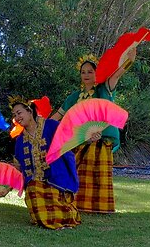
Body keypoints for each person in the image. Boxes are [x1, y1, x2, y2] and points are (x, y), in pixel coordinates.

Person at [50, 49, 137, 213]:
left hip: (102, 138)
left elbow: (117, 75)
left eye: (90, 71)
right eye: (83, 72)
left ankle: (99, 207)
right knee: (75, 169)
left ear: (96, 72)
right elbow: (57, 116)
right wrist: (40, 126)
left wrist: (129, 61)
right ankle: (76, 203)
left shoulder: (104, 89)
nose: (86, 74)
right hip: (79, 140)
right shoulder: (74, 97)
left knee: (97, 173)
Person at [3, 97, 80, 229]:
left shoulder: (51, 125)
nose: (17, 117)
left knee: (60, 211)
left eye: (19, 113)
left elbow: (71, 140)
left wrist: (89, 139)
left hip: (57, 178)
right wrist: (7, 189)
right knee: (33, 189)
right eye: (14, 115)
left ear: (29, 111)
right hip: (36, 182)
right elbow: (19, 169)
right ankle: (48, 219)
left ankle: (60, 216)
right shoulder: (20, 141)